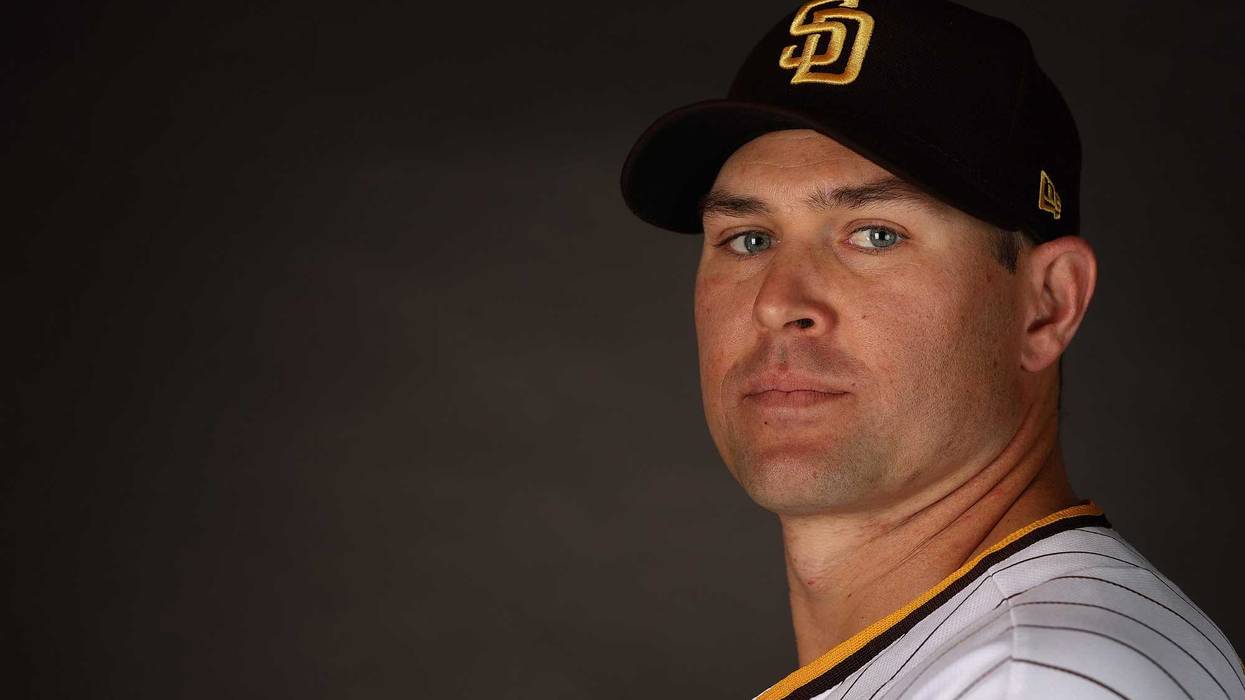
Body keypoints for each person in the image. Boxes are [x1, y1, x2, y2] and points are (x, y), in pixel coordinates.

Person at [619, 1, 1244, 698]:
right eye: (749, 240)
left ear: (1047, 305)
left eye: (875, 233)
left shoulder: (1031, 680)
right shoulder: (1004, 653)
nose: (776, 302)